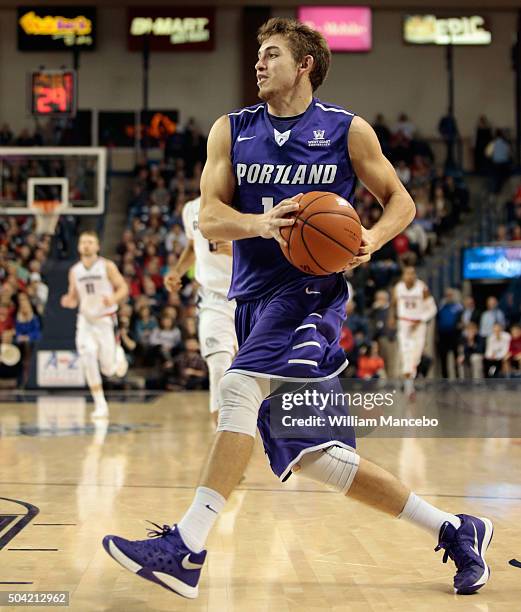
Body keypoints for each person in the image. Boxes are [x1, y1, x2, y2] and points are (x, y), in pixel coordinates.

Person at [102, 18, 493, 598]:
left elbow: (401, 203)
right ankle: (456, 528)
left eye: (271, 54)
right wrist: (263, 224)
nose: (258, 64)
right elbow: (209, 218)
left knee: (237, 388)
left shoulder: (346, 129)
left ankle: (187, 547)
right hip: (252, 300)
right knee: (318, 458)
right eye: (258, 55)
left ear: (304, 63)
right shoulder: (230, 131)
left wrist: (371, 241)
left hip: (310, 296)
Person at [164, 196, 236, 424]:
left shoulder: (246, 200)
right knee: (218, 364)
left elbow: (269, 246)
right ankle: (222, 429)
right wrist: (178, 270)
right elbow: (193, 246)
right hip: (213, 297)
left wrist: (235, 249)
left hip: (251, 295)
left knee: (258, 370)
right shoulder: (191, 209)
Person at [61, 231, 129, 418]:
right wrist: (69, 301)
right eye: (83, 242)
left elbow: (123, 287)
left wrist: (113, 298)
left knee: (108, 369)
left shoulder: (106, 266)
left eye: (90, 242)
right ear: (79, 246)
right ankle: (100, 404)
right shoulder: (75, 271)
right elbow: (74, 297)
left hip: (105, 319)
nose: (86, 245)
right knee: (87, 357)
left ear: (97, 246)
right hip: (85, 320)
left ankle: (118, 355)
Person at [389, 266, 437, 397]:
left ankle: (410, 380)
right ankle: (409, 388)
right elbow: (393, 304)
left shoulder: (422, 287)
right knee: (406, 355)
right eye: (407, 274)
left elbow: (432, 308)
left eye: (412, 274)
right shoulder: (398, 288)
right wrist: (392, 317)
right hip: (404, 323)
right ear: (403, 275)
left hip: (419, 325)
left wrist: (422, 319)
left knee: (415, 357)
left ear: (415, 275)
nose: (410, 276)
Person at [436, 288, 463, 379]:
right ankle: (445, 377)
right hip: (443, 335)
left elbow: (460, 320)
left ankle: (458, 376)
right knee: (443, 357)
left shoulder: (457, 307)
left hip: (454, 335)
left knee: (456, 356)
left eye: (450, 295)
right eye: (447, 295)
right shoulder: (441, 306)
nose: (448, 297)